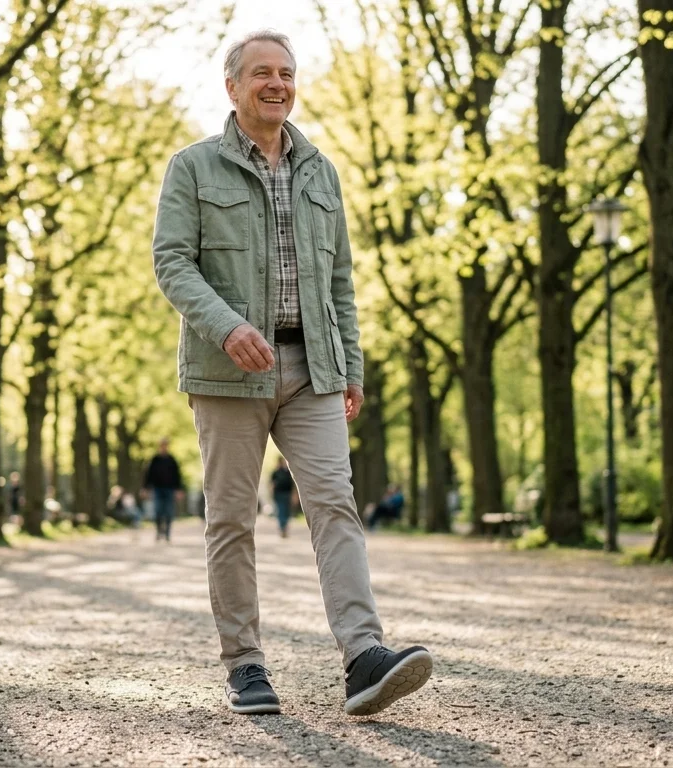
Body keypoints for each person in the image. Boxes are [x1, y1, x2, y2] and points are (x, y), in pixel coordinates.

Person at [151, 29, 433, 717]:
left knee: (335, 502)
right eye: (261, 74)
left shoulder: (321, 172)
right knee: (230, 520)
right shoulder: (193, 168)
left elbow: (340, 280)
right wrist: (227, 326)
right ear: (233, 87)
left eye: (285, 73)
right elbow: (172, 263)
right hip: (226, 372)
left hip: (314, 369)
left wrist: (350, 366)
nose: (276, 84)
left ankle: (364, 655)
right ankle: (245, 664)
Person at [142, 438, 184, 542]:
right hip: (157, 489)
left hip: (169, 489)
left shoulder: (172, 460)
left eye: (165, 445)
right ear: (159, 446)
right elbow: (148, 475)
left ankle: (167, 534)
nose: (164, 447)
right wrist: (145, 488)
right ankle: (158, 531)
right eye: (162, 445)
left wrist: (179, 490)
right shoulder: (154, 460)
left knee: (169, 512)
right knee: (158, 511)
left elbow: (177, 476)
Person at [270, 458, 296, 538]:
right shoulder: (275, 472)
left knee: (287, 512)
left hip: (287, 494)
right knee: (281, 511)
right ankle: (282, 528)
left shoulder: (288, 472)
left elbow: (293, 485)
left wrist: (294, 496)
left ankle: (284, 527)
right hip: (279, 494)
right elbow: (272, 485)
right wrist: (272, 494)